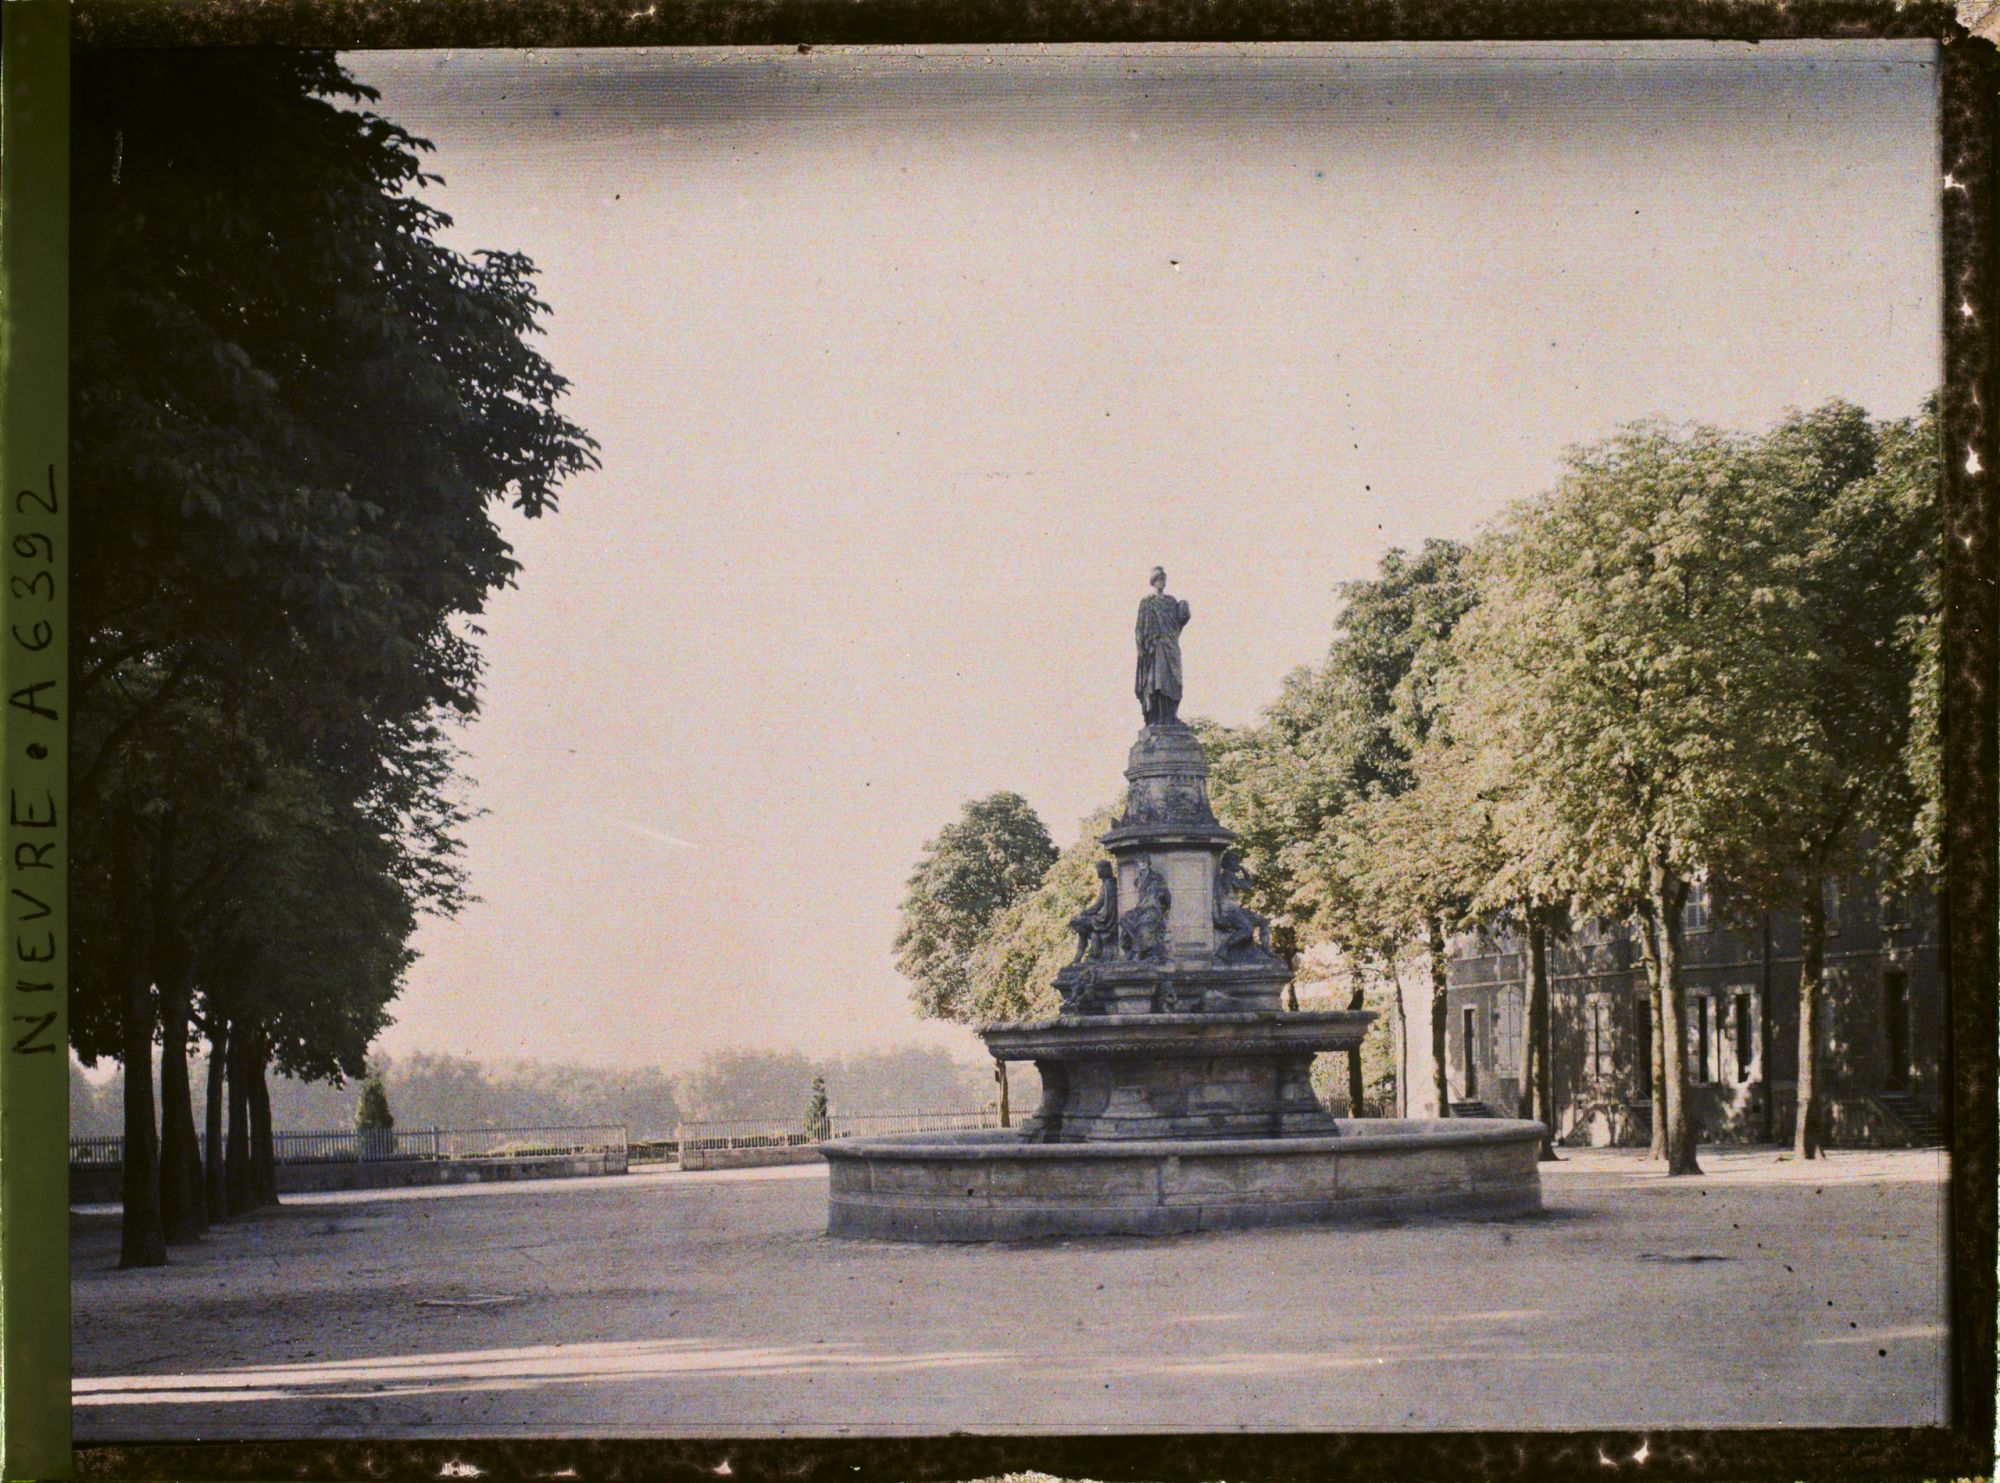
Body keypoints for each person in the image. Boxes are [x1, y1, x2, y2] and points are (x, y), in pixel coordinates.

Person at [1134, 566, 1191, 725]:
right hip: (1155, 646)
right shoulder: (1147, 602)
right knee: (1158, 681)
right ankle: (1158, 717)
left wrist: (1184, 611)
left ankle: (1171, 716)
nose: (1162, 582)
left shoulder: (1171, 601)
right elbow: (1140, 627)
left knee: (1174, 680)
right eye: (1159, 579)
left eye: (1164, 579)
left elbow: (1178, 621)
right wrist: (1142, 648)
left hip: (1171, 645)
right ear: (1153, 581)